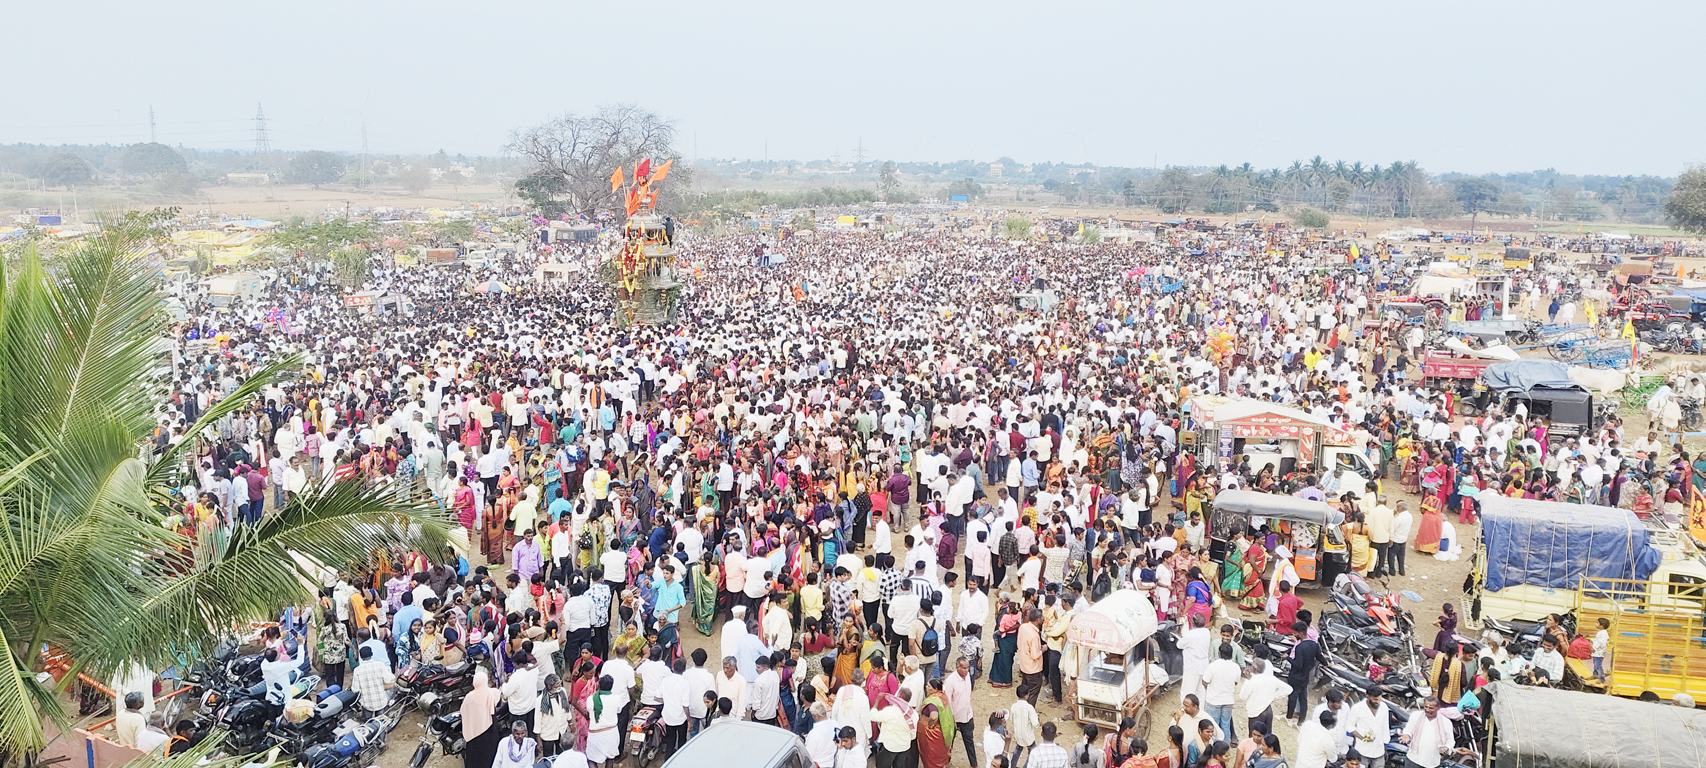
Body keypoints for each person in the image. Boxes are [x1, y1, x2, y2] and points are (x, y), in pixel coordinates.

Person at [461, 668, 504, 768]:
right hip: (490, 731)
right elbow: (499, 701)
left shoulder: (469, 697)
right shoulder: (492, 693)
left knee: (474, 757)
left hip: (473, 733)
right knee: (489, 754)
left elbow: (463, 711)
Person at [1200, 643, 1241, 743]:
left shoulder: (1213, 666)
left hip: (1214, 700)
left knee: (1213, 726)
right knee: (1225, 725)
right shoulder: (1236, 667)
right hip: (1228, 700)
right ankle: (1225, 748)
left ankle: (1215, 748)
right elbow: (1236, 682)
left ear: (1219, 653)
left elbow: (1205, 681)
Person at [1397, 698, 1455, 768]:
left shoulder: (1446, 722)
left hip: (1431, 762)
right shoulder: (1415, 716)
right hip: (1413, 758)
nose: (1427, 710)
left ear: (1438, 708)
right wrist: (1407, 735)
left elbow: (1450, 741)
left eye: (1431, 708)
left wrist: (1446, 748)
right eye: (1426, 707)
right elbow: (1408, 729)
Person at [1285, 621, 1320, 723]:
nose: (1294, 635)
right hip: (1306, 676)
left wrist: (1287, 658)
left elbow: (1298, 665)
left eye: (1295, 633)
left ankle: (1289, 717)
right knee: (1303, 699)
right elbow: (1320, 658)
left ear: (1300, 633)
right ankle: (1301, 720)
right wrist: (1328, 664)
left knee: (1293, 696)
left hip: (1296, 676)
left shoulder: (1300, 647)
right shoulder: (1314, 644)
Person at [585, 675, 623, 767]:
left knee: (591, 759)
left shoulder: (591, 699)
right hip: (611, 734)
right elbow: (619, 711)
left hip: (595, 735)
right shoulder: (617, 699)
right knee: (610, 758)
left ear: (599, 685)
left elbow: (589, 712)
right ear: (612, 686)